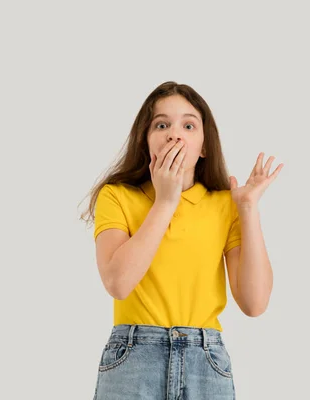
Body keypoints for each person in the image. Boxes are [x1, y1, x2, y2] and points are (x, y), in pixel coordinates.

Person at [79, 81, 283, 399]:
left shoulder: (225, 205)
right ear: (146, 142)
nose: (175, 134)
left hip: (206, 362)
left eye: (188, 125)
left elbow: (255, 304)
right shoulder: (116, 196)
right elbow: (118, 283)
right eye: (162, 125)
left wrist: (247, 209)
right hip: (133, 360)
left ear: (204, 147)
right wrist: (165, 201)